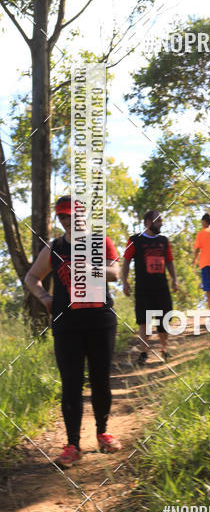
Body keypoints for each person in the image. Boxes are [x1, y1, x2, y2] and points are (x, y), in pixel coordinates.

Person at [24, 195, 122, 468]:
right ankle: (72, 446)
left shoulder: (101, 241)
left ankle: (103, 433)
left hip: (100, 321)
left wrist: (90, 268)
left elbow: (115, 273)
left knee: (101, 380)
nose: (67, 220)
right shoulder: (54, 248)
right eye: (62, 216)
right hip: (67, 325)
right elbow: (31, 277)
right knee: (71, 384)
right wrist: (44, 298)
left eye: (71, 214)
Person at [121, 210, 178, 364]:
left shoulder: (164, 241)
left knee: (164, 319)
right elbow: (126, 261)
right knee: (144, 321)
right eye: (158, 221)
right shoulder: (135, 240)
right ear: (148, 222)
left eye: (161, 220)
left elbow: (169, 261)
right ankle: (143, 353)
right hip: (143, 288)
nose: (161, 223)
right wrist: (124, 281)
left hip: (162, 287)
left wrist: (174, 279)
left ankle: (165, 350)